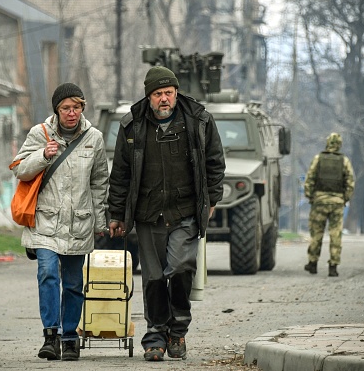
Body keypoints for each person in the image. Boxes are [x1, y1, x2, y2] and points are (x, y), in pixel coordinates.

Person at [107, 66, 226, 361]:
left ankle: (178, 332)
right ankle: (156, 337)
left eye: (168, 93)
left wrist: (212, 198)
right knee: (154, 277)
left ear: (176, 93)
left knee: (181, 267)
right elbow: (120, 173)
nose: (164, 99)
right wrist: (117, 213)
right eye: (158, 93)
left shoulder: (199, 120)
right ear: (149, 96)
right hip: (148, 215)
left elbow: (215, 162)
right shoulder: (132, 125)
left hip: (185, 211)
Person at [11, 83, 109, 361]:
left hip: (79, 223)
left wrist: (100, 221)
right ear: (57, 109)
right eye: (66, 108)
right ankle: (50, 336)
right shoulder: (39, 134)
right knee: (48, 274)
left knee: (75, 284)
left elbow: (100, 182)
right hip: (45, 221)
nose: (71, 113)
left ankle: (70, 337)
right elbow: (19, 169)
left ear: (82, 108)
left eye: (76, 107)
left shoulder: (94, 138)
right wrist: (43, 155)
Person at [303, 132, 355, 277]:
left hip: (319, 201)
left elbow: (309, 180)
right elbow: (350, 183)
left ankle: (312, 263)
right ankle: (333, 266)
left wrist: (311, 197)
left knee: (316, 233)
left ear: (327, 143)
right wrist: (344, 198)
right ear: (339, 145)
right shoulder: (344, 161)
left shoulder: (318, 159)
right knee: (335, 234)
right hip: (337, 202)